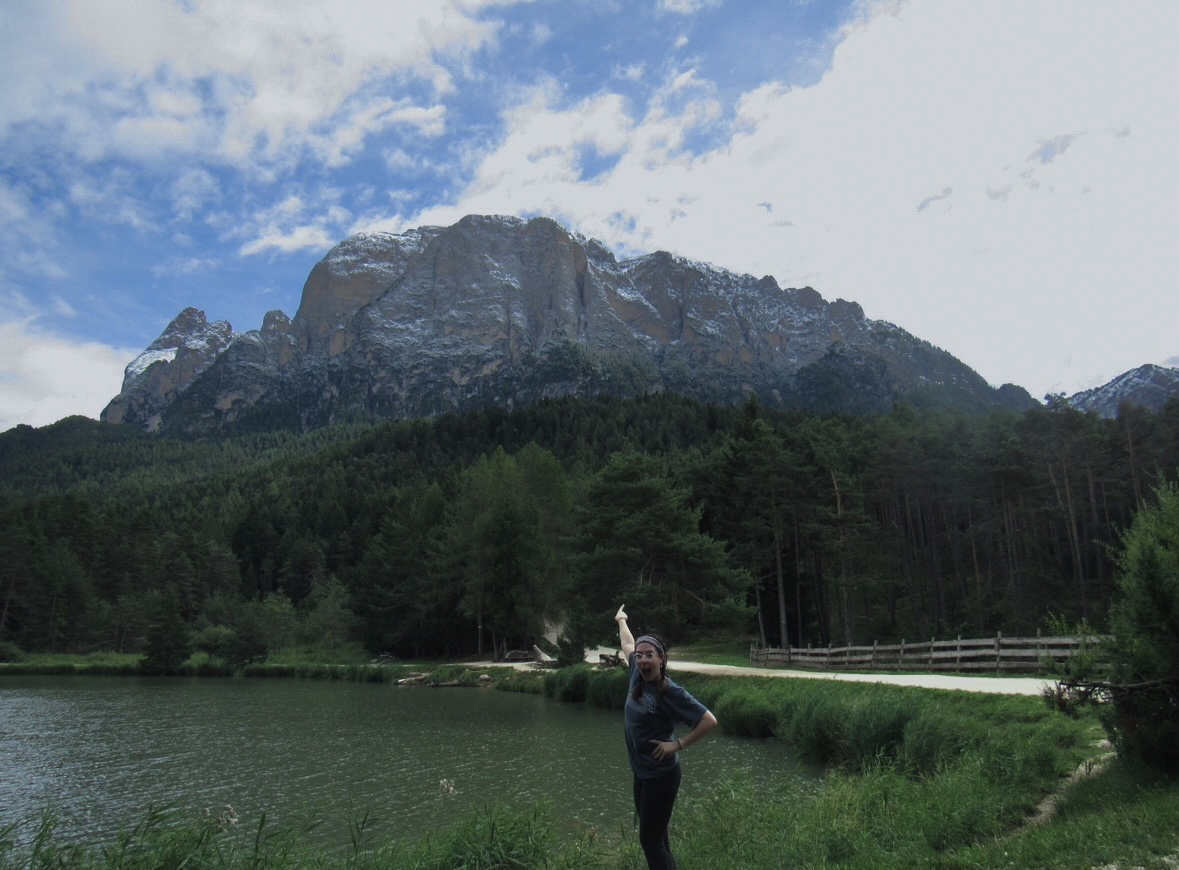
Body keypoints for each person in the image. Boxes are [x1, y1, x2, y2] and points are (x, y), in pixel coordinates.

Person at [615, 603, 718, 870]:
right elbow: (628, 643)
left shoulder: (670, 691)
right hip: (641, 772)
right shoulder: (636, 674)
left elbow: (709, 721)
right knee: (658, 838)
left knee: (649, 841)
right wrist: (621, 619)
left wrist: (677, 744)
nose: (643, 660)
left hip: (661, 775)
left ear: (661, 658)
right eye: (640, 656)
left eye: (649, 655)